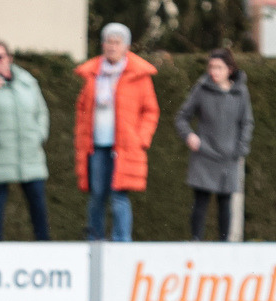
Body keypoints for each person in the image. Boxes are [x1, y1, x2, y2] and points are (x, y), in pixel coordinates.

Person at [74, 22, 159, 242]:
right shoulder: (93, 74)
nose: (112, 46)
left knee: (119, 196)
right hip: (97, 144)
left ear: (126, 46)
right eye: (108, 41)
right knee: (97, 195)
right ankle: (95, 240)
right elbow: (82, 109)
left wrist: (141, 139)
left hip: (124, 145)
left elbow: (150, 111)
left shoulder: (139, 76)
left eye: (117, 42)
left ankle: (122, 241)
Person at [0, 41, 51, 241]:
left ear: (9, 58)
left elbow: (41, 111)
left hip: (29, 151)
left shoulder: (27, 81)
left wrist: (39, 134)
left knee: (37, 202)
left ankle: (45, 246)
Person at [175, 48, 254, 241]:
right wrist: (189, 136)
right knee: (200, 201)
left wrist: (241, 148)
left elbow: (247, 122)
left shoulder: (240, 92)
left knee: (225, 203)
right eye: (211, 67)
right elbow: (182, 118)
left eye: (219, 67)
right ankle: (196, 242)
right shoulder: (201, 89)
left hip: (229, 157)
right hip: (204, 154)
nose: (214, 71)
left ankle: (224, 246)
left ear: (229, 69)